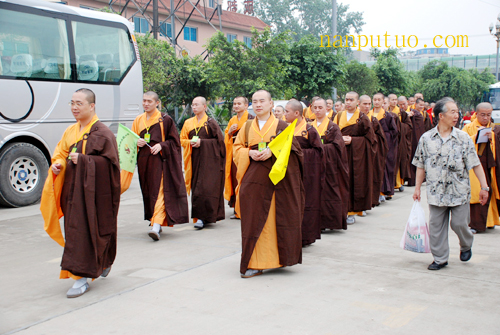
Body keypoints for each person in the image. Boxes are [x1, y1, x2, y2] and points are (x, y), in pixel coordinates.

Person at [40, 88, 120, 298]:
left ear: (92, 106)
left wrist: (85, 161)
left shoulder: (104, 133)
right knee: (75, 234)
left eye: (79, 103)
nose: (74, 107)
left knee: (95, 231)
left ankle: (88, 272)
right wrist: (58, 165)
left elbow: (112, 166)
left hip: (95, 196)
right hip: (73, 192)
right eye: (72, 103)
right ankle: (80, 276)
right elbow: (60, 154)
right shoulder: (70, 131)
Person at [233, 90, 304, 278]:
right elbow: (237, 148)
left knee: (272, 220)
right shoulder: (247, 126)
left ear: (271, 104)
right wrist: (249, 153)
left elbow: (295, 151)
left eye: (262, 101)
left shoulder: (282, 126)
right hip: (253, 181)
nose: (258, 105)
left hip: (276, 183)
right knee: (253, 220)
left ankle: (275, 259)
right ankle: (254, 262)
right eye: (255, 101)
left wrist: (273, 151)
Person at [413, 97, 488, 271]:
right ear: (441, 116)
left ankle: (466, 244)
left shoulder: (463, 138)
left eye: (457, 111)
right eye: (452, 112)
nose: (456, 115)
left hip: (459, 190)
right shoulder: (426, 138)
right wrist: (417, 188)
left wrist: (484, 187)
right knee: (436, 227)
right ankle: (440, 259)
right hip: (435, 191)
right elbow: (420, 165)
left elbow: (475, 164)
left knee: (459, 223)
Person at [122, 92, 189, 241]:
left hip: (160, 162)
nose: (146, 104)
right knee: (149, 192)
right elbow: (130, 140)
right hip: (144, 163)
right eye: (144, 101)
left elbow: (175, 142)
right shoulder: (138, 120)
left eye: (149, 101)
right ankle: (155, 220)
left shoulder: (165, 120)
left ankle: (156, 226)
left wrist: (161, 145)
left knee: (160, 192)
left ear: (157, 103)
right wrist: (136, 142)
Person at [180, 97, 225, 229]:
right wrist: (190, 143)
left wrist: (203, 143)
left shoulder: (211, 123)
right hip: (194, 159)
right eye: (192, 105)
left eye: (197, 105)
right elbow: (182, 140)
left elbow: (220, 144)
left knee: (207, 187)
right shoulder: (188, 123)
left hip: (210, 162)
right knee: (197, 188)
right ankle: (199, 217)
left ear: (204, 107)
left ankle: (208, 216)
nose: (194, 107)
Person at [284, 99, 323, 245]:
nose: (284, 114)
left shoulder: (309, 130)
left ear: (296, 113)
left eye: (287, 111)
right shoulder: (285, 129)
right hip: (289, 173)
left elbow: (318, 152)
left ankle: (306, 236)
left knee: (307, 203)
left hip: (307, 173)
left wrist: (297, 153)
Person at [333, 92, 376, 224]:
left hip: (355, 157)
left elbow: (370, 140)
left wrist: (353, 140)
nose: (348, 102)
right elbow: (331, 132)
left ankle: (351, 211)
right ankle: (339, 211)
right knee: (338, 182)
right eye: (346, 99)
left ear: (357, 102)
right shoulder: (339, 116)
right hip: (339, 153)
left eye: (351, 100)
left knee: (352, 181)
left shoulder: (362, 118)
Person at [311, 98, 349, 230]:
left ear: (327, 108)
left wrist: (321, 148)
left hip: (329, 166)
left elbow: (338, 146)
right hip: (313, 166)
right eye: (315, 107)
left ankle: (330, 222)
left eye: (320, 107)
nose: (317, 110)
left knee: (329, 193)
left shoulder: (332, 127)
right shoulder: (309, 126)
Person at [462, 103, 500, 233]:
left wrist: (493, 138)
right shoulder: (468, 128)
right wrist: (477, 136)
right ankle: (476, 224)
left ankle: (490, 221)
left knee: (492, 191)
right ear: (476, 114)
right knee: (478, 192)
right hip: (476, 166)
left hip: (492, 166)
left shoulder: (495, 128)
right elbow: (462, 143)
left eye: (488, 115)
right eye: (482, 115)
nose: (485, 118)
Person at [224, 97, 254, 219]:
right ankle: (237, 208)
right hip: (234, 152)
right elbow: (226, 137)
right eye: (234, 104)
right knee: (235, 179)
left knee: (245, 179)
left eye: (239, 104)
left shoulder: (251, 119)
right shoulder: (232, 120)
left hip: (246, 151)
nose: (236, 106)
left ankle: (246, 208)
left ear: (246, 105)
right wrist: (230, 132)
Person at [360, 95, 388, 208]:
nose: (367, 106)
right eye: (364, 104)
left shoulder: (373, 119)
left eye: (368, 104)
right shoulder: (351, 118)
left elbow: (381, 139)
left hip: (371, 152)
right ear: (359, 104)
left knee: (371, 176)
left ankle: (369, 201)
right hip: (355, 153)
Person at [371, 93, 398, 201]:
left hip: (385, 145)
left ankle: (383, 191)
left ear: (383, 102)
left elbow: (394, 131)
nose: (376, 102)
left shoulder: (387, 116)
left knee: (385, 167)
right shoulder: (369, 115)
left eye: (379, 100)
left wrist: (386, 139)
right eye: (375, 99)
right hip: (372, 145)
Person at [399, 96, 424, 187]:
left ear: (408, 103)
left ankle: (412, 180)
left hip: (413, 139)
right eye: (400, 104)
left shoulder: (416, 114)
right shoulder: (399, 113)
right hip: (402, 139)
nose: (402, 106)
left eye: (404, 104)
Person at [389, 94, 412, 192]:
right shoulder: (386, 112)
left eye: (395, 100)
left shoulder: (401, 112)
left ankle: (399, 183)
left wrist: (398, 126)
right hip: (390, 139)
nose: (394, 102)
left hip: (400, 140)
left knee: (399, 161)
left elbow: (409, 126)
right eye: (392, 100)